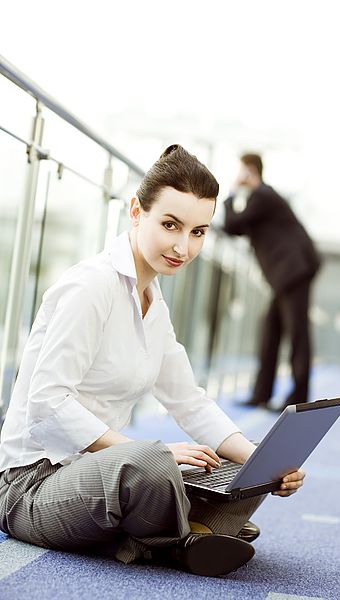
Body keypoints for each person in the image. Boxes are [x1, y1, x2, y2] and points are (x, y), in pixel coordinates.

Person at [0, 145, 305, 578]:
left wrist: (263, 462)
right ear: (136, 211)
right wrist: (150, 453)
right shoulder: (92, 287)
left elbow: (191, 403)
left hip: (99, 475)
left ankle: (179, 526)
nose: (183, 246)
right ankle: (186, 535)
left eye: (198, 232)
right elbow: (47, 406)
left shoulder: (154, 304)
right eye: (170, 225)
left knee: (238, 467)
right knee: (151, 465)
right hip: (32, 486)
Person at [222, 153, 320, 411]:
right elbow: (235, 229)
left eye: (242, 171)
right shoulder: (262, 200)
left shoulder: (263, 196)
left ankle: (298, 399)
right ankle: (261, 394)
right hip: (285, 276)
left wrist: (232, 193)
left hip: (293, 272)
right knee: (271, 331)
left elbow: (233, 224)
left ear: (250, 171)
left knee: (297, 334)